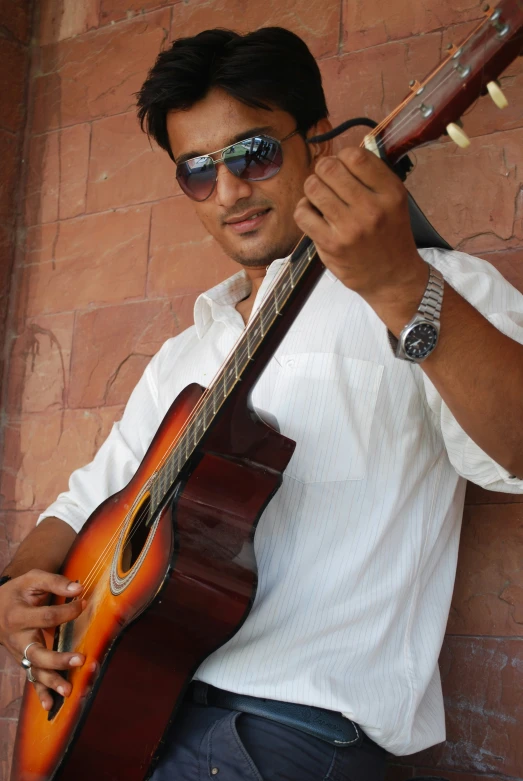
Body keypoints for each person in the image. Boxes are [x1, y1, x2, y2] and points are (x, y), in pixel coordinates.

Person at [1, 26, 523, 781]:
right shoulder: (186, 351)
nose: (230, 192)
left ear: (315, 139)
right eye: (196, 173)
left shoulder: (430, 285)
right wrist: (17, 597)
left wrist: (398, 286)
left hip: (289, 730)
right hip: (127, 705)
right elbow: (83, 501)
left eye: (252, 154)